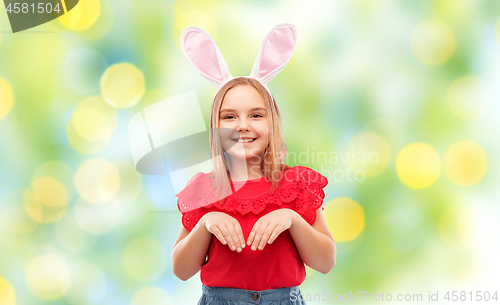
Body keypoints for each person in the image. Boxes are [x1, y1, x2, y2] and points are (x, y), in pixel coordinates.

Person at [171, 24, 336, 305]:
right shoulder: (204, 189)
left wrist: (292, 219)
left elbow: (325, 261)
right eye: (230, 117)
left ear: (273, 123)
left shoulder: (298, 185)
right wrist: (206, 224)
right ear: (215, 127)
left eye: (256, 115)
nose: (243, 126)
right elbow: (181, 269)